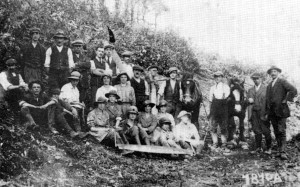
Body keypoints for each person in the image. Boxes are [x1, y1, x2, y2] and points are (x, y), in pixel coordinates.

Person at [265, 66, 297, 160]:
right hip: (272, 112)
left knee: (282, 131)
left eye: (275, 71)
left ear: (278, 72)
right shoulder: (269, 85)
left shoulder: (282, 81)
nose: (273, 73)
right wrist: (267, 112)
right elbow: (267, 100)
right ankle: (279, 150)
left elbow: (293, 90)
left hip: (281, 110)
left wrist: (286, 99)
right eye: (271, 72)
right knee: (276, 131)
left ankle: (283, 152)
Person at [247, 73, 272, 154]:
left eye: (257, 78)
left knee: (266, 131)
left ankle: (269, 148)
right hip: (254, 113)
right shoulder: (250, 90)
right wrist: (248, 100)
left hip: (263, 113)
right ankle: (258, 148)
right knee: (256, 130)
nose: (255, 80)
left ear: (261, 79)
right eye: (254, 79)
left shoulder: (266, 88)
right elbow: (248, 103)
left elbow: (269, 102)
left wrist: (268, 113)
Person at [208, 71, 230, 152]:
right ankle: (215, 142)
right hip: (214, 108)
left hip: (223, 108)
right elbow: (210, 100)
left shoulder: (226, 87)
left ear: (222, 78)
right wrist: (210, 112)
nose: (217, 78)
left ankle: (224, 143)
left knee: (223, 126)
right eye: (216, 77)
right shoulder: (212, 88)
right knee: (213, 126)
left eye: (219, 77)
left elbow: (228, 98)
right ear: (214, 78)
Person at [71, 39, 91, 107]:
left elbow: (88, 65)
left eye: (79, 46)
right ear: (73, 47)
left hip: (83, 80)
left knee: (83, 98)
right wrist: (82, 65)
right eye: (76, 46)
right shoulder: (70, 56)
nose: (78, 48)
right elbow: (71, 66)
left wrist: (77, 64)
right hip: (74, 80)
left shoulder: (84, 56)